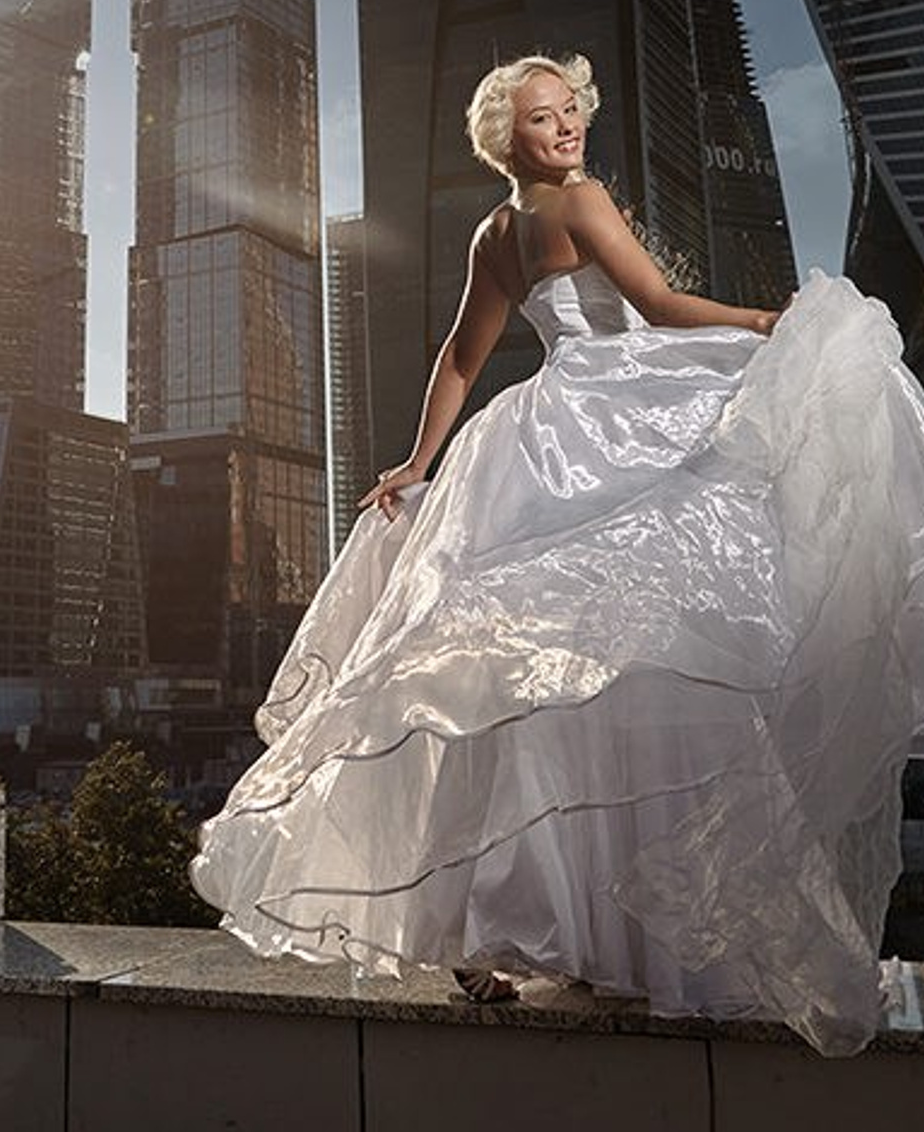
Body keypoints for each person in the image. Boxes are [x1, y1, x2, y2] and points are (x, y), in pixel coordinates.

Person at [190, 54, 924, 1056]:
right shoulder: (577, 203)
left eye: (570, 110)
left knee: (530, 703)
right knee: (644, 674)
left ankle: (518, 937)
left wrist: (419, 460)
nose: (566, 129)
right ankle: (633, 940)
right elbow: (658, 312)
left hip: (538, 436)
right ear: (510, 139)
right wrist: (767, 324)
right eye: (542, 119)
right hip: (603, 421)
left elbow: (461, 356)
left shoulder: (495, 231)